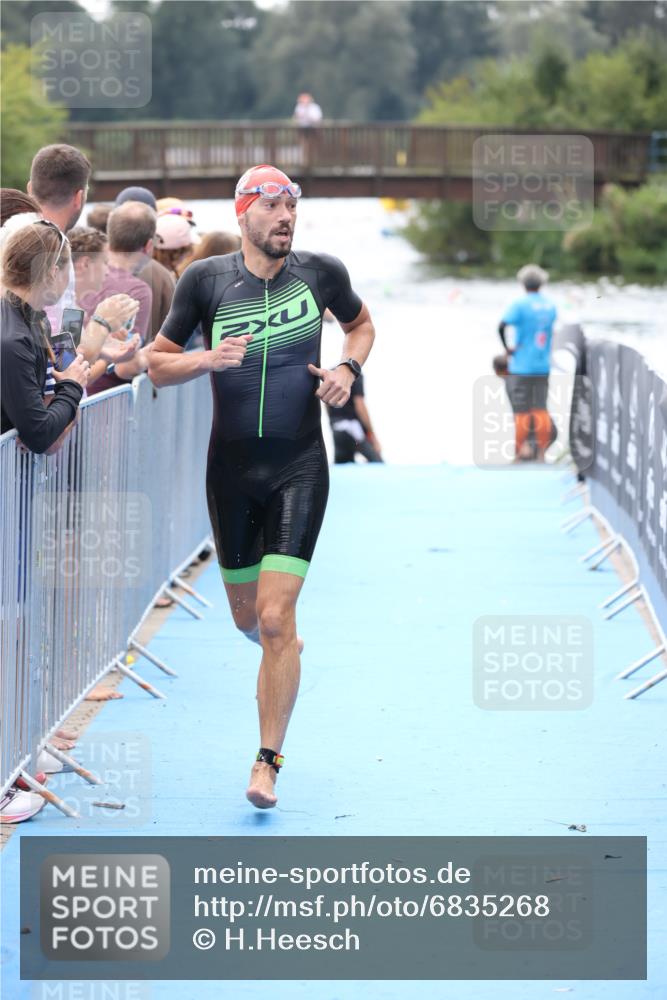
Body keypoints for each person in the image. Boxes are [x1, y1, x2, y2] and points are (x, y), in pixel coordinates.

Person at [148, 164, 375, 809]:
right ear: (243, 213)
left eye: (291, 207)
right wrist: (207, 358)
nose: (285, 218)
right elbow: (157, 365)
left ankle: (266, 762)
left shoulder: (321, 273)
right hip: (230, 472)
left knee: (275, 617)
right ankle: (282, 650)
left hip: (299, 465)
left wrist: (347, 368)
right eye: (272, 207)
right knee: (248, 618)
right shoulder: (205, 280)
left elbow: (361, 325)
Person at [1, 221, 90, 451]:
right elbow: (41, 435)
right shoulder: (14, 338)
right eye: (68, 274)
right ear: (53, 273)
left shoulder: (34, 320)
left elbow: (44, 427)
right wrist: (72, 386)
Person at [84, 201, 156, 395]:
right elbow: (125, 366)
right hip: (102, 397)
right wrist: (147, 357)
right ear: (148, 246)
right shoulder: (137, 291)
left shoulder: (81, 272)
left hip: (64, 394)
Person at [498, 264, 557, 463]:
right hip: (542, 365)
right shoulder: (550, 306)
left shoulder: (519, 304)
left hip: (521, 366)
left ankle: (517, 454)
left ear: (523, 283)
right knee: (541, 409)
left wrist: (507, 348)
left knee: (521, 412)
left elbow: (502, 326)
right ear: (542, 283)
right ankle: (542, 455)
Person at [327, 373, 383, 463]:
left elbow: (327, 402)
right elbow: (359, 405)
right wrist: (372, 436)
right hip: (352, 428)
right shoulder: (355, 374)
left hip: (336, 427)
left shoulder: (331, 374)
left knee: (342, 465)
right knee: (377, 461)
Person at [153, 212, 199, 280]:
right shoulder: (164, 279)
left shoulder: (144, 269)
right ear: (176, 253)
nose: (189, 254)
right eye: (186, 251)